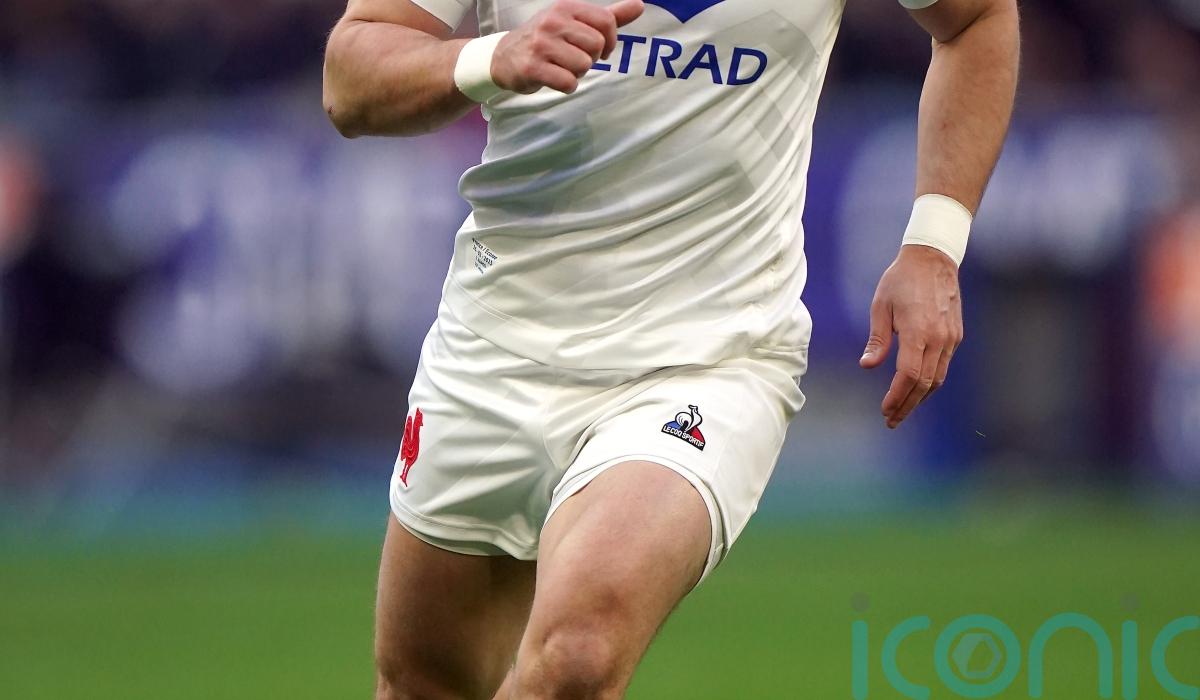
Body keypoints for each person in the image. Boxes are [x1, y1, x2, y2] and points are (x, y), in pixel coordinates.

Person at [323, 0, 1019, 696]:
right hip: (496, 343)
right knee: (422, 683)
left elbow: (977, 19)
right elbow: (350, 77)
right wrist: (489, 58)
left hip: (707, 356)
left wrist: (934, 243)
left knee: (576, 658)